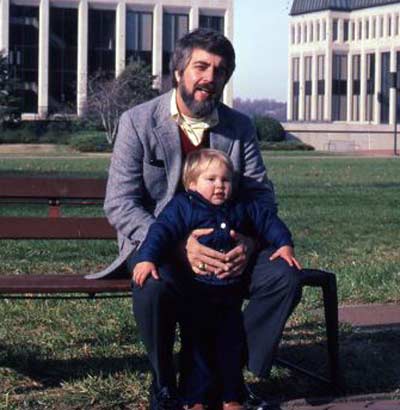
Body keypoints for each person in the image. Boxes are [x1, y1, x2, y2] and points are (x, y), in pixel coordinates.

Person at [89, 28, 302, 409]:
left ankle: (231, 371)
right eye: (201, 66)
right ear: (178, 72)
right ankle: (166, 384)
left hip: (229, 244)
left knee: (283, 278)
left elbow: (259, 195)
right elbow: (120, 203)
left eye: (219, 71)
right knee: (151, 287)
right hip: (159, 247)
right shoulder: (137, 121)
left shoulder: (239, 127)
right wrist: (175, 243)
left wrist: (250, 242)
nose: (210, 77)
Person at [132, 148, 299, 409]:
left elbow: (269, 221)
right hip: (196, 291)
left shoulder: (242, 206)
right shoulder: (183, 206)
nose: (220, 186)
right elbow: (160, 231)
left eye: (225, 180)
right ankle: (194, 397)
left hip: (229, 292)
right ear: (192, 184)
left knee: (231, 344)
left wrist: (284, 244)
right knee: (196, 347)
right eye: (211, 180)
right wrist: (147, 258)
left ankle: (231, 396)